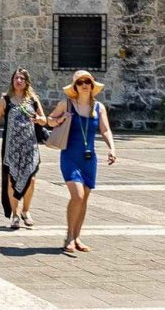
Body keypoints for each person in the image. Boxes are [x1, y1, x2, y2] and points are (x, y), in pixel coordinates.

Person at [45, 71, 117, 253]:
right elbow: (49, 121)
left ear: (92, 86)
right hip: (70, 156)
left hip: (89, 158)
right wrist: (60, 119)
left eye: (87, 82)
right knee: (77, 195)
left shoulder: (99, 107)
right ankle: (68, 236)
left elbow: (105, 129)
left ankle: (77, 237)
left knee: (84, 199)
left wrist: (112, 149)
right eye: (80, 82)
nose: (84, 84)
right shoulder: (67, 104)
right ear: (75, 86)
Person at [0, 69, 49, 230]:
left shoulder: (32, 100)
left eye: (22, 78)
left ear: (26, 82)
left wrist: (39, 119)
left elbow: (44, 120)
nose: (18, 80)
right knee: (12, 180)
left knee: (31, 179)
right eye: (16, 78)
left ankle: (26, 211)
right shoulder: (6, 100)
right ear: (12, 80)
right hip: (11, 148)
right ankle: (15, 215)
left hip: (30, 147)